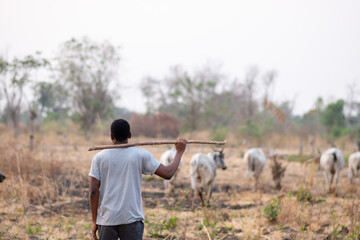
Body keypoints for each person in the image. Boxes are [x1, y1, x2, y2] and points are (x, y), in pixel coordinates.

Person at [89, 119, 187, 240]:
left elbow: (93, 191)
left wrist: (95, 221)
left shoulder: (99, 158)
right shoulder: (140, 155)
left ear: (111, 136)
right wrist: (179, 152)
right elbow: (168, 173)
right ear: (129, 135)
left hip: (106, 220)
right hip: (132, 220)